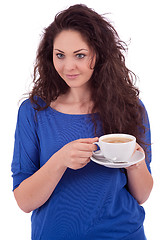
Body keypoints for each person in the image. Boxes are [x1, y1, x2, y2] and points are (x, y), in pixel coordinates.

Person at [11, 4, 153, 240]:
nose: (68, 66)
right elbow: (24, 201)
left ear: (99, 54)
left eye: (80, 55)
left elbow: (141, 196)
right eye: (60, 55)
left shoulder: (130, 107)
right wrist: (60, 160)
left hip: (124, 234)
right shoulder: (33, 111)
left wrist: (135, 161)